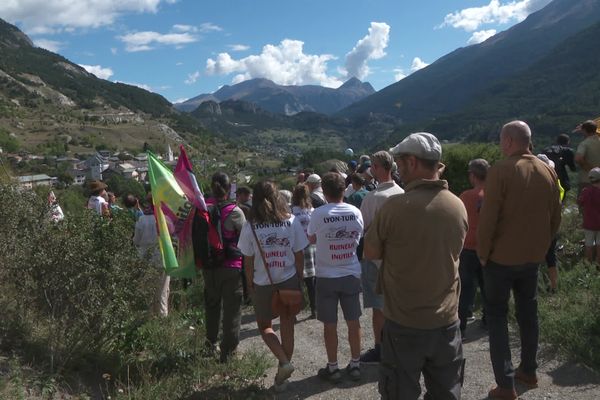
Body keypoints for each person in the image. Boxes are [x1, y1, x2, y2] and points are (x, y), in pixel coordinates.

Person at [364, 133, 467, 400]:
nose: (397, 168)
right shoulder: (457, 206)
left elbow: (371, 251)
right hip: (446, 321)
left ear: (412, 162)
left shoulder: (394, 208)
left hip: (404, 322)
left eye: (399, 162)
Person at [478, 121, 562, 400]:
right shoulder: (547, 171)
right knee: (529, 315)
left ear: (510, 141)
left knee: (498, 317)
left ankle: (505, 385)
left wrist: (483, 253)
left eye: (502, 140)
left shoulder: (500, 171)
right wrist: (541, 248)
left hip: (500, 261)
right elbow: (555, 219)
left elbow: (488, 221)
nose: (501, 145)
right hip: (532, 260)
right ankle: (529, 371)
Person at [237, 181, 308, 392]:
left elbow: (248, 262)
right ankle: (282, 380)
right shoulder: (291, 221)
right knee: (287, 325)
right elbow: (299, 254)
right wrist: (299, 278)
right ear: (277, 198)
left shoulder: (250, 227)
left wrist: (250, 285)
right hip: (288, 279)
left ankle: (284, 363)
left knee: (265, 326)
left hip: (262, 282)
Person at [307, 172, 364, 383]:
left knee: (329, 324)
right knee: (354, 321)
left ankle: (333, 368)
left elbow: (311, 238)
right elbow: (360, 236)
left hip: (326, 274)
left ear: (325, 191)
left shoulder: (319, 213)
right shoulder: (355, 212)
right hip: (350, 271)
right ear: (343, 189)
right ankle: (356, 364)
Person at [193, 172, 246, 363]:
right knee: (232, 311)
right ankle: (229, 353)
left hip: (209, 267)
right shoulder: (235, 211)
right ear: (229, 187)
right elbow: (245, 241)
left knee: (212, 307)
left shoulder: (202, 209)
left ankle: (210, 345)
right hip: (231, 268)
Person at [358, 150, 404, 364]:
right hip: (400, 259)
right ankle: (400, 345)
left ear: (377, 168)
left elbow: (364, 229)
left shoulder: (372, 198)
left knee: (379, 309)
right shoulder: (403, 193)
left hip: (376, 260)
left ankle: (381, 348)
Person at [458, 158, 489, 339]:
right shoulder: (494, 194)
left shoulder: (465, 196)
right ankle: (488, 320)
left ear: (473, 175)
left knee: (465, 288)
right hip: (487, 248)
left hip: (468, 247)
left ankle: (460, 326)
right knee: (487, 287)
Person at [133, 194, 170, 316]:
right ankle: (162, 318)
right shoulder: (165, 218)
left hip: (145, 258)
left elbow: (136, 241)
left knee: (147, 290)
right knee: (162, 291)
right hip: (162, 258)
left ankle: (147, 317)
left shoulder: (142, 219)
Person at [291, 184, 317, 318]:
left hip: (296, 248)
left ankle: (295, 311)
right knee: (311, 280)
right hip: (311, 246)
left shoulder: (290, 211)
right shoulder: (312, 210)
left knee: (295, 280)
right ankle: (314, 309)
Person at [578, 167, 600, 268]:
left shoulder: (586, 191)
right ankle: (598, 263)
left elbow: (580, 202)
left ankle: (588, 264)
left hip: (589, 223)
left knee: (589, 244)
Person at [575, 120, 600, 196]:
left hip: (587, 180)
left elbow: (578, 158)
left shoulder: (585, 143)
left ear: (585, 130)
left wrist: (590, 169)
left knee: (584, 205)